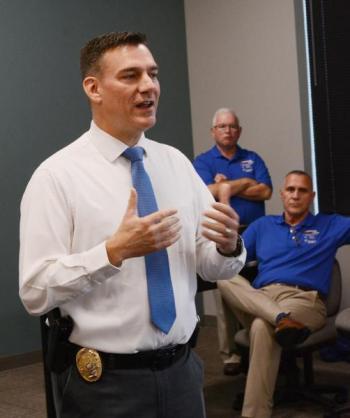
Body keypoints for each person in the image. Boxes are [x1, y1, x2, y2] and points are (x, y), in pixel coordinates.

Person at [19, 32, 246, 418]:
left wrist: (227, 246)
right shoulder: (56, 177)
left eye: (153, 74)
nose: (148, 86)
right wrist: (113, 252)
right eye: (130, 76)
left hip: (184, 374)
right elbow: (35, 291)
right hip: (106, 387)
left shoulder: (175, 164)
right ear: (93, 87)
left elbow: (211, 267)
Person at [218, 170, 350, 418]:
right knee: (223, 275)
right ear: (282, 194)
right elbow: (235, 259)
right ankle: (280, 319)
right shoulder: (263, 226)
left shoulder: (328, 225)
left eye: (302, 191)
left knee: (260, 327)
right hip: (264, 297)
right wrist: (224, 241)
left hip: (304, 301)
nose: (295, 195)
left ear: (311, 196)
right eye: (290, 189)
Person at [193, 108, 272, 376]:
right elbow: (205, 193)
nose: (228, 131)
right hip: (223, 235)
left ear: (239, 130)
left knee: (256, 286)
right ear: (213, 131)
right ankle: (231, 356)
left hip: (256, 233)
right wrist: (246, 184)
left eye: (232, 126)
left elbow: (266, 190)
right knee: (225, 289)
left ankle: (258, 340)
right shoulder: (203, 162)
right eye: (222, 127)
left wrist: (228, 186)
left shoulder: (252, 158)